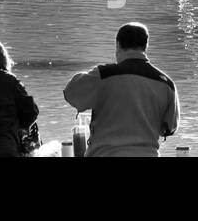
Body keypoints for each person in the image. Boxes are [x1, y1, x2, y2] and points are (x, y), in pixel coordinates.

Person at [64, 22, 179, 157]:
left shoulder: (103, 75)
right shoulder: (166, 83)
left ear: (118, 45)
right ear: (145, 46)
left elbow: (70, 94)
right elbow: (169, 128)